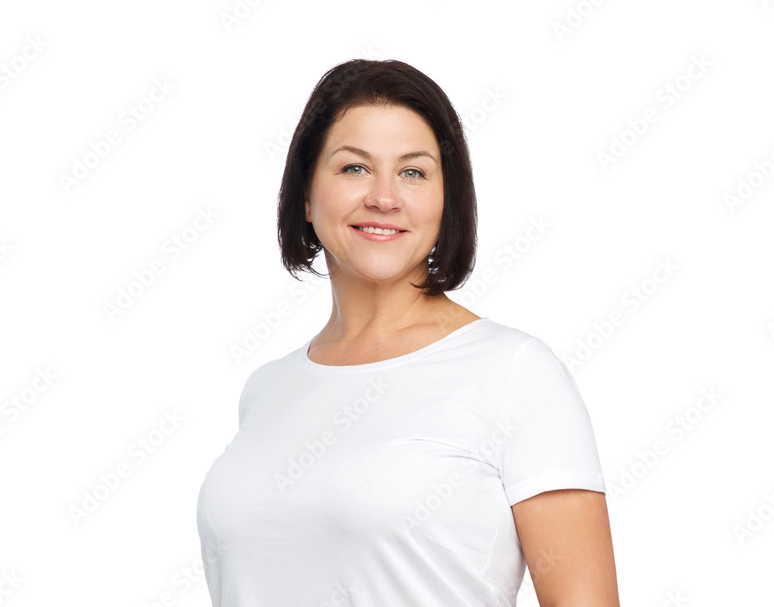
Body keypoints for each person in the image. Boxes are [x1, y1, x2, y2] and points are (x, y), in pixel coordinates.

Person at [196, 58, 620, 606]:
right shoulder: (268, 389)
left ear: (447, 201)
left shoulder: (514, 372)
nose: (384, 197)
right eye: (354, 168)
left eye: (413, 172)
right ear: (306, 194)